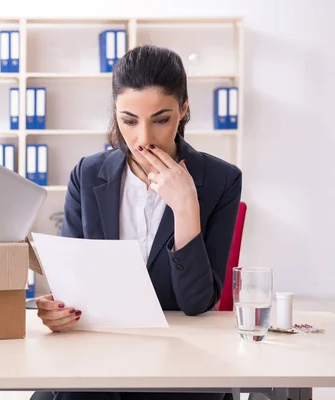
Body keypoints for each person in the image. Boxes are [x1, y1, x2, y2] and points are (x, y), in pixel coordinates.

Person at [34, 44, 242, 400]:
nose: (143, 139)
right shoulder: (87, 174)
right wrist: (58, 310)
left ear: (183, 111)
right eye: (129, 120)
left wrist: (186, 208)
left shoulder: (221, 180)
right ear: (115, 114)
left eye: (161, 119)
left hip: (179, 361)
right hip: (97, 354)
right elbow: (72, 282)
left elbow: (195, 303)